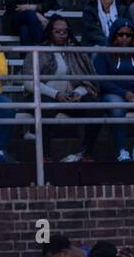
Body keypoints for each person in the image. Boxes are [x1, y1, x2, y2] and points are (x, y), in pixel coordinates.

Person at [93, 19, 134, 162]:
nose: (124, 38)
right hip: (115, 94)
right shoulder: (104, 54)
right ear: (113, 35)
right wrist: (125, 94)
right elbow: (102, 81)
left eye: (128, 35)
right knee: (117, 107)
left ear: (133, 37)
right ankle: (121, 151)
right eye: (120, 34)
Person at [36, 17, 100, 164]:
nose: (61, 34)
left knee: (95, 108)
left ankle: (86, 153)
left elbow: (88, 79)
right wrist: (56, 94)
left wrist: (79, 92)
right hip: (48, 95)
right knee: (44, 108)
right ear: (50, 32)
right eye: (57, 31)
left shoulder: (77, 51)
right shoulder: (39, 51)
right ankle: (45, 156)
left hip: (72, 97)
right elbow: (29, 82)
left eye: (65, 31)